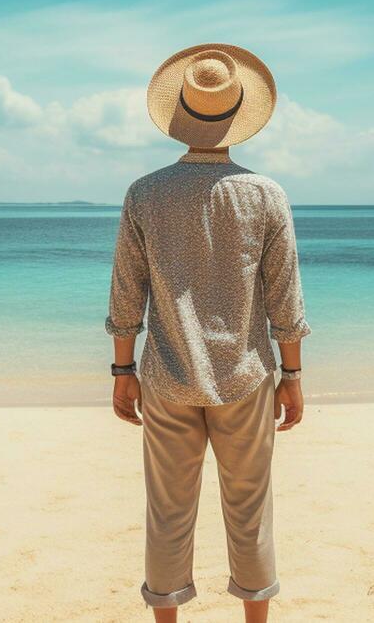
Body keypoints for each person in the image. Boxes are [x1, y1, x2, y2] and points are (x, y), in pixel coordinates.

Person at [106, 43, 311, 623]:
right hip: (245, 377)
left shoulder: (145, 193)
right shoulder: (265, 195)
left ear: (180, 115)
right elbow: (284, 300)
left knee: (168, 511)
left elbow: (127, 291)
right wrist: (291, 377)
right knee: (250, 509)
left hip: (167, 375)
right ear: (239, 116)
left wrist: (123, 370)